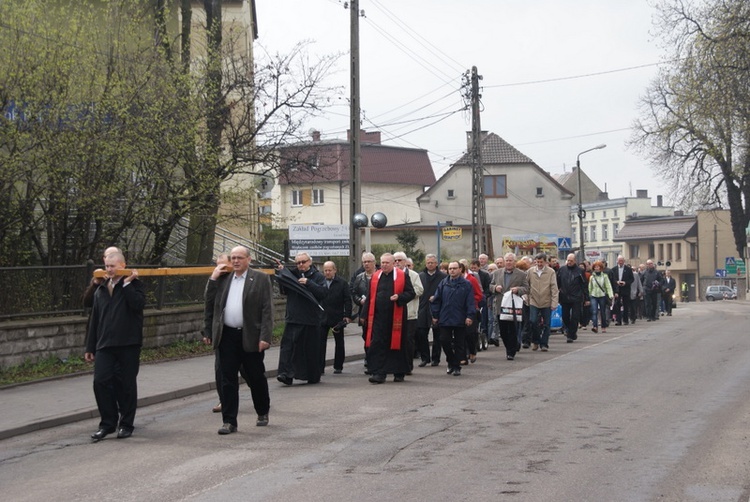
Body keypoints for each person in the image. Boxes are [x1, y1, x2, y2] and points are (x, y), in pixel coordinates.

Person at [204, 246, 273, 435]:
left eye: (239, 258)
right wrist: (213, 278)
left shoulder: (260, 279)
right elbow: (209, 303)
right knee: (227, 379)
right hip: (227, 336)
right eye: (233, 258)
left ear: (249, 259)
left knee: (256, 376)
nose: (235, 261)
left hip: (250, 335)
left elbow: (267, 310)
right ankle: (229, 421)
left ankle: (262, 411)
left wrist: (265, 337)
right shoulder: (224, 279)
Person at [84, 251, 145, 441]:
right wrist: (90, 346)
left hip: (128, 343)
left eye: (113, 266)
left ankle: (126, 424)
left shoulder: (134, 285)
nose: (109, 270)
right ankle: (107, 423)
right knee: (100, 381)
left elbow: (137, 305)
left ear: (123, 265)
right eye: (107, 266)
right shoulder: (101, 287)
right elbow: (95, 319)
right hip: (104, 344)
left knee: (126, 384)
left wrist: (127, 285)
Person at [362, 253, 415, 384]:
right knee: (378, 344)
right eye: (383, 263)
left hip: (395, 317)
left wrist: (399, 297)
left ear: (393, 264)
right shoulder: (375, 277)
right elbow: (369, 297)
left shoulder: (402, 276)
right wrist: (363, 315)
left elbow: (411, 293)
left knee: (397, 345)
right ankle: (379, 373)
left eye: (387, 263)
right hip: (378, 318)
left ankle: (399, 371)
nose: (384, 265)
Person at [275, 252, 327, 385]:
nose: (301, 265)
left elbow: (323, 293)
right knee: (288, 348)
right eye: (298, 263)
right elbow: (284, 290)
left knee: (310, 350)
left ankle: (312, 375)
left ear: (310, 262)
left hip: (311, 319)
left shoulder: (318, 276)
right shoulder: (292, 274)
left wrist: (309, 283)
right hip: (293, 317)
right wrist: (282, 273)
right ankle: (285, 374)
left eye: (303, 262)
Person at [431, 261, 475, 376]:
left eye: (454, 268)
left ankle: (456, 366)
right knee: (444, 340)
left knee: (459, 343)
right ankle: (451, 361)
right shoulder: (443, 283)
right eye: (450, 268)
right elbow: (437, 300)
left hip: (460, 318)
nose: (452, 270)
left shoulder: (466, 284)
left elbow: (470, 302)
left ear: (460, 269)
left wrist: (469, 316)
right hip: (445, 317)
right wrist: (435, 315)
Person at [490, 252, 529, 359]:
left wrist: (518, 290)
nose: (508, 262)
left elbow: (526, 288)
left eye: (510, 260)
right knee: (503, 331)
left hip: (513, 306)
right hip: (500, 305)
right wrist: (495, 288)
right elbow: (490, 285)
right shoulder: (497, 273)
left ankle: (510, 352)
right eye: (506, 260)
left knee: (512, 330)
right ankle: (510, 346)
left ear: (514, 262)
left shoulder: (521, 274)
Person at [319, 261, 352, 374]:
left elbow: (347, 300)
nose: (327, 272)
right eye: (325, 270)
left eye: (329, 270)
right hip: (322, 318)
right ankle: (319, 366)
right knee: (320, 343)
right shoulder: (320, 282)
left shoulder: (342, 283)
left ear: (335, 270)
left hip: (337, 317)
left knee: (339, 342)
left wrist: (347, 315)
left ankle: (338, 366)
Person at [394, 252, 423, 373]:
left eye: (399, 260)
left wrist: (404, 295)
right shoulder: (392, 275)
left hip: (409, 313)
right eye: (395, 260)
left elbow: (420, 289)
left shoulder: (413, 275)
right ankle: (395, 365)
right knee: (395, 340)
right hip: (394, 313)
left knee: (407, 340)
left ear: (405, 262)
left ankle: (408, 365)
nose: (397, 263)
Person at [416, 254, 447, 367]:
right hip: (423, 308)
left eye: (432, 262)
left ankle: (435, 358)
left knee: (437, 335)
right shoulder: (420, 276)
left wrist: (436, 298)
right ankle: (425, 358)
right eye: (428, 262)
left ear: (436, 263)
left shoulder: (443, 277)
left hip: (437, 308)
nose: (430, 264)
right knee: (421, 333)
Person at [351, 252, 377, 373]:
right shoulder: (359, 277)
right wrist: (359, 300)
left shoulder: (379, 275)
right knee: (365, 335)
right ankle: (368, 357)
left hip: (378, 312)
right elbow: (354, 292)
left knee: (376, 337)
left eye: (368, 262)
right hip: (364, 313)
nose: (366, 264)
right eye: (364, 262)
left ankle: (376, 360)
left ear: (374, 262)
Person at [526, 253, 559, 351]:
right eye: (538, 262)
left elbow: (554, 287)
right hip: (533, 300)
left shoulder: (550, 272)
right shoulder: (530, 271)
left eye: (541, 262)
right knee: (533, 321)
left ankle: (544, 344)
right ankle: (536, 341)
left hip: (546, 300)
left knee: (547, 324)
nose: (539, 264)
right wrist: (527, 298)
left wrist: (554, 302)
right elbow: (526, 285)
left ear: (545, 262)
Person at [557, 253, 588, 343]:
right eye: (568, 260)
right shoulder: (562, 270)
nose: (569, 262)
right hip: (564, 296)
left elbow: (584, 284)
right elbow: (557, 283)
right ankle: (570, 329)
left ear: (575, 261)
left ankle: (571, 334)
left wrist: (586, 297)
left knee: (575, 317)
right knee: (565, 316)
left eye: (571, 261)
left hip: (576, 297)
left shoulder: (580, 271)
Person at [470, 259, 492, 351]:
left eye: (475, 268)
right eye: (472, 268)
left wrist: (485, 296)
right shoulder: (470, 276)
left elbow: (487, 287)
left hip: (483, 298)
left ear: (479, 267)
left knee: (483, 319)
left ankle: (484, 334)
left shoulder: (485, 275)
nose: (473, 269)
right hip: (474, 299)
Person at [588, 260, 613, 333]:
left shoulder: (605, 276)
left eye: (598, 267)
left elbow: (608, 286)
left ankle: (603, 326)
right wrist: (589, 296)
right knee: (594, 311)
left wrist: (610, 294)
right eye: (595, 267)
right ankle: (595, 326)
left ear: (601, 268)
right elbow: (590, 287)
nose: (596, 268)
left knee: (602, 311)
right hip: (594, 295)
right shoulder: (592, 277)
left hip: (602, 295)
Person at [609, 255, 635, 326]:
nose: (620, 262)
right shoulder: (613, 269)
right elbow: (611, 279)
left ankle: (625, 320)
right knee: (617, 305)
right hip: (617, 289)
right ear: (617, 261)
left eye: (622, 261)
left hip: (625, 289)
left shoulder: (628, 269)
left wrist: (625, 283)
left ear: (624, 261)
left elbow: (632, 279)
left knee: (626, 305)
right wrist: (616, 282)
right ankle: (618, 320)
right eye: (619, 261)